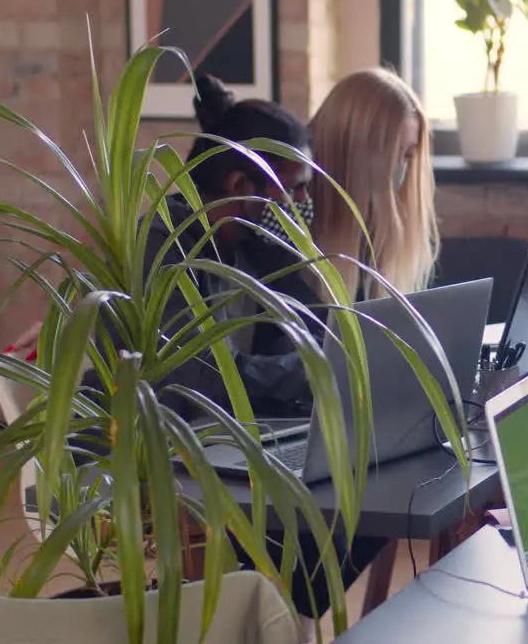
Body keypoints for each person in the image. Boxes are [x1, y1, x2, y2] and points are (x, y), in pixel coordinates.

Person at [167, 76, 387, 640]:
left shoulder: (247, 244)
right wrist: (309, 369)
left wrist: (288, 246)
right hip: (178, 457)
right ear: (240, 183)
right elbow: (206, 384)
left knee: (371, 492)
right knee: (339, 521)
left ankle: (296, 608)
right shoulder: (164, 251)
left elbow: (320, 333)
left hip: (244, 442)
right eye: (295, 191)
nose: (303, 206)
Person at [308, 67, 439, 300]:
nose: (400, 167)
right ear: (350, 147)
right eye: (390, 154)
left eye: (407, 155)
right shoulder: (295, 229)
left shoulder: (375, 231)